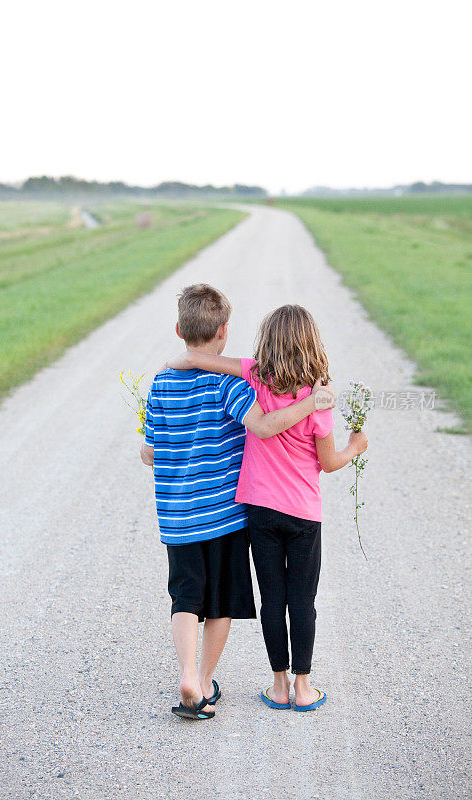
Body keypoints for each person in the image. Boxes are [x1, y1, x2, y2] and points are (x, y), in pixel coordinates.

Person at [140, 286, 334, 720]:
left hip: (177, 519)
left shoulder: (160, 385)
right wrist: (311, 404)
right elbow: (264, 426)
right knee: (223, 603)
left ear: (178, 330)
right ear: (224, 331)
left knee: (186, 597)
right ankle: (205, 678)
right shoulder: (230, 386)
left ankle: (188, 674)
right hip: (225, 515)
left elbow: (149, 452)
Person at [167, 303, 368, 712]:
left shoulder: (254, 375)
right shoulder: (319, 397)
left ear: (267, 342)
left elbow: (195, 357)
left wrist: (178, 360)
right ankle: (304, 687)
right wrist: (356, 446)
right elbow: (328, 464)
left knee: (272, 599)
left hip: (260, 510)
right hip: (303, 514)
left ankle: (278, 685)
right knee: (302, 601)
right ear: (313, 345)